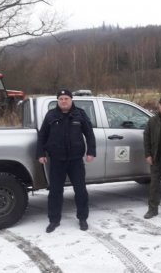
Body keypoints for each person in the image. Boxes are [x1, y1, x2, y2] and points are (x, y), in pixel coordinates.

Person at [36, 89, 96, 233]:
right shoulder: (51, 115)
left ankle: (82, 218)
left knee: (80, 190)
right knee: (55, 191)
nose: (63, 101)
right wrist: (40, 153)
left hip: (75, 160)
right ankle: (54, 220)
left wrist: (91, 152)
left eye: (66, 98)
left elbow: (89, 134)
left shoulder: (80, 114)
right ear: (58, 100)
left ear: (71, 100)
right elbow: (42, 135)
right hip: (57, 160)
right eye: (61, 98)